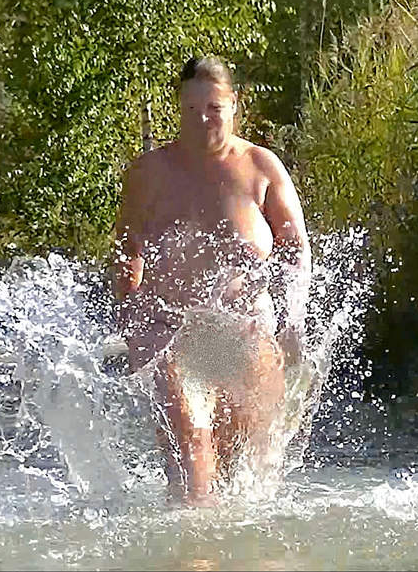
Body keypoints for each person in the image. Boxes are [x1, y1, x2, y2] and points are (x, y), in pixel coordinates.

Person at [113, 56, 311, 505]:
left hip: (245, 334)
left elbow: (295, 251)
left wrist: (292, 323)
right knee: (193, 472)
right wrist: (131, 319)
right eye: (191, 109)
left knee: (245, 483)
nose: (202, 119)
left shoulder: (261, 167)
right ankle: (190, 541)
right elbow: (128, 249)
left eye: (213, 108)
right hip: (175, 333)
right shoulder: (149, 173)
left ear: (234, 105)